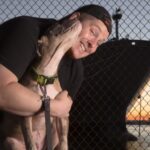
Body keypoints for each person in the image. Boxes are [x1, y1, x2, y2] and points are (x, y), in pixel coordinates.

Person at [0, 3, 112, 148]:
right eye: (93, 32)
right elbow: (2, 93)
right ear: (74, 18)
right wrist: (52, 106)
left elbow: (58, 121)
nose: (93, 45)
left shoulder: (76, 70)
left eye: (99, 43)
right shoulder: (28, 30)